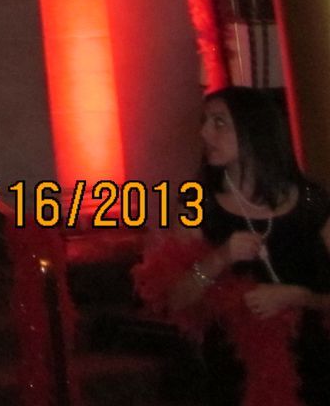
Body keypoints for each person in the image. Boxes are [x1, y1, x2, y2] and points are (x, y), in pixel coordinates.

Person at [136, 87, 330, 403]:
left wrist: (300, 297)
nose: (204, 132)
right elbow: (173, 300)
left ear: (254, 129)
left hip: (317, 370)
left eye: (219, 122)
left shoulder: (311, 200)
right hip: (237, 378)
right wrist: (222, 256)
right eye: (204, 122)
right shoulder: (196, 205)